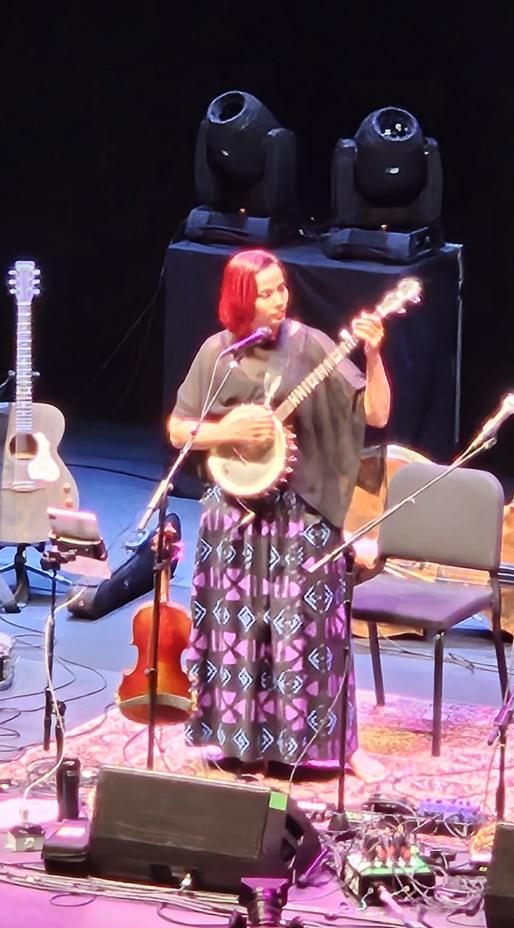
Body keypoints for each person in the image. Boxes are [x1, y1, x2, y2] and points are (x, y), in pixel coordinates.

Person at [167, 249, 391, 779]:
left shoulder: (312, 346)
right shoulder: (217, 355)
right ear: (240, 299)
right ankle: (240, 741)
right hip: (232, 515)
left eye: (281, 289)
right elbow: (180, 428)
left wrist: (376, 356)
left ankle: (341, 746)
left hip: (300, 516)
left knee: (314, 631)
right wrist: (228, 434)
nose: (277, 300)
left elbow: (377, 414)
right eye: (264, 293)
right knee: (236, 633)